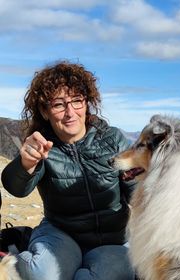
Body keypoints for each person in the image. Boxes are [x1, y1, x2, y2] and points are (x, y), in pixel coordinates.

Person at [1, 61, 135, 280]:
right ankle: (21, 252)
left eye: (77, 101)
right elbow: (15, 188)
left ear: (87, 104)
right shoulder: (41, 146)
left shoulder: (113, 140)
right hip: (61, 234)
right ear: (45, 111)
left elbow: (137, 190)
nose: (70, 113)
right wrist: (25, 164)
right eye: (59, 105)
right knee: (41, 274)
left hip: (114, 239)